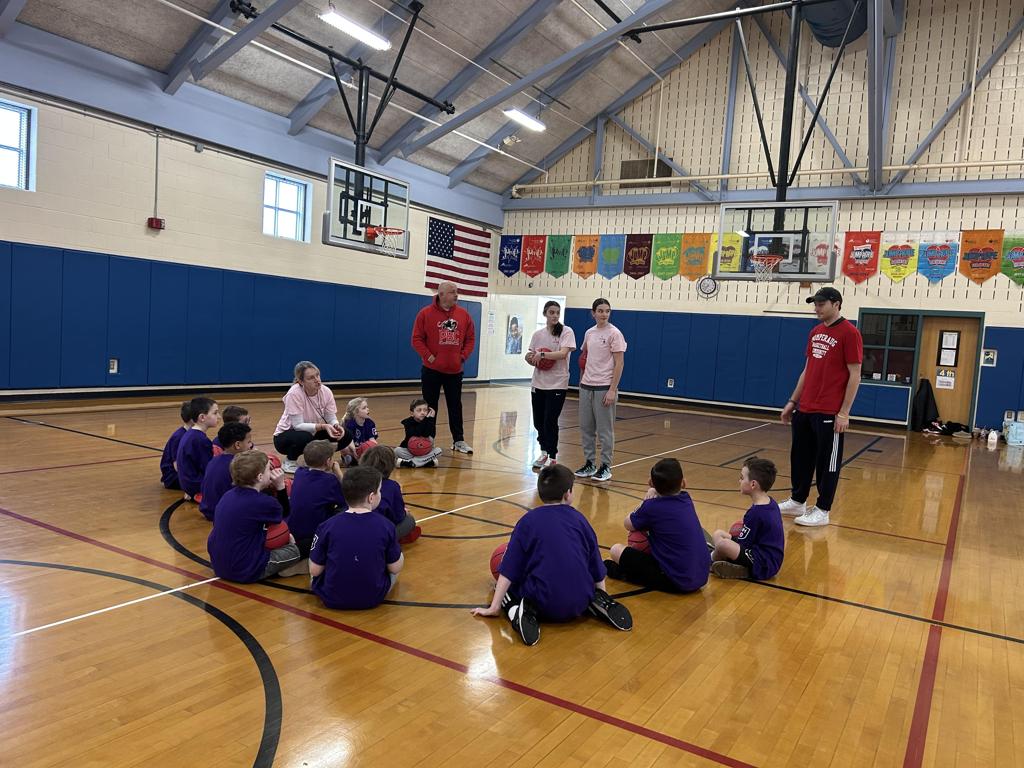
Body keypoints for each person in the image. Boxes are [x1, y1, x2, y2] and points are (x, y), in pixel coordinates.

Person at [470, 464, 633, 646]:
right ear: (568, 494)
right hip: (582, 600)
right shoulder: (580, 519)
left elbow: (509, 568)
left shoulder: (527, 521)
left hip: (543, 605)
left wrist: (494, 607)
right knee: (579, 579)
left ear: (540, 493)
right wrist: (602, 594)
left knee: (507, 587)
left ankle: (517, 611)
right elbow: (595, 565)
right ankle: (598, 602)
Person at [779, 288, 863, 527]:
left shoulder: (850, 333)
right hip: (805, 408)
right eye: (815, 304)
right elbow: (807, 370)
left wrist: (844, 412)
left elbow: (855, 375)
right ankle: (798, 500)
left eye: (821, 304)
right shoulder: (815, 332)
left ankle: (823, 509)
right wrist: (792, 401)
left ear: (836, 304)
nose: (816, 308)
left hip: (829, 411)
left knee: (827, 463)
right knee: (800, 457)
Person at [604, 458, 710, 593]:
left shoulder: (651, 507)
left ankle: (623, 573)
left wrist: (646, 501)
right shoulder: (686, 498)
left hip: (678, 582)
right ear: (684, 483)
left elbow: (627, 524)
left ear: (650, 483)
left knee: (615, 550)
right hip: (702, 576)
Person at [309, 466, 404, 610]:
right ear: (371, 497)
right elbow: (395, 568)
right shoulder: (386, 526)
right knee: (394, 563)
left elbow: (315, 571)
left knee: (316, 569)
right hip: (373, 597)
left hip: (331, 597)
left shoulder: (326, 526)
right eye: (379, 491)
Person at [207, 450, 301, 582]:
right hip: (245, 570)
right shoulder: (262, 502)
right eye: (269, 469)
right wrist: (280, 486)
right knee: (300, 547)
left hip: (218, 565)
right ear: (260, 477)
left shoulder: (227, 495)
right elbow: (284, 514)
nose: (272, 471)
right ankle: (292, 566)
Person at [411, 281, 476, 454]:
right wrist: (429, 356)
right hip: (431, 370)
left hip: (455, 371)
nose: (456, 295)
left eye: (456, 291)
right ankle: (428, 439)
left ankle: (458, 440)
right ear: (441, 294)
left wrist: (462, 356)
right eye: (452, 292)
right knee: (429, 407)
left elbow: (470, 339)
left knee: (455, 406)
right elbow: (416, 339)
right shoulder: (425, 313)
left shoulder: (464, 315)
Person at [574, 298, 627, 482]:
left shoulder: (615, 333)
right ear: (593, 313)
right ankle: (590, 464)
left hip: (604, 387)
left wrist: (612, 390)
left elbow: (619, 363)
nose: (604, 314)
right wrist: (581, 382)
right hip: (586, 386)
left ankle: (605, 466)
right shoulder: (589, 333)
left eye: (607, 311)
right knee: (586, 428)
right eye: (600, 311)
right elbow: (584, 358)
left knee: (605, 430)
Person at [273, 361, 354, 474]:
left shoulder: (326, 391)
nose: (317, 380)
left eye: (317, 375)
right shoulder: (294, 393)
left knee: (346, 435)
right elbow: (297, 425)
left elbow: (330, 417)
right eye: (311, 378)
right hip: (285, 437)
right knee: (305, 437)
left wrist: (335, 425)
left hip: (313, 432)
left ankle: (317, 459)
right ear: (301, 381)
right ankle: (289, 461)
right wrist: (323, 426)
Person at [710, 457, 785, 580]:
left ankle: (709, 560)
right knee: (719, 534)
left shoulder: (756, 513)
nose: (739, 480)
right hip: (768, 558)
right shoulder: (771, 502)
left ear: (753, 484)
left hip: (763, 564)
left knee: (723, 544)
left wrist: (727, 546)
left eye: (742, 477)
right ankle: (731, 563)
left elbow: (743, 544)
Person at [525, 300, 577, 470]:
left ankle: (553, 457)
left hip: (557, 383)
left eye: (557, 313)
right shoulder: (538, 334)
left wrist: (542, 355)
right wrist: (530, 358)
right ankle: (544, 452)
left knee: (550, 420)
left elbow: (562, 354)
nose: (555, 315)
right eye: (551, 312)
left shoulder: (566, 331)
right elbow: (531, 355)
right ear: (545, 314)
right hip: (538, 382)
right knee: (538, 422)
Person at [288, 440, 346, 560]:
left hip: (293, 529)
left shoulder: (299, 473)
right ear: (328, 461)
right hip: (314, 532)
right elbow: (348, 496)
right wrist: (338, 472)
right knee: (347, 507)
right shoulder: (330, 480)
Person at [359, 445, 420, 544]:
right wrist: (404, 512)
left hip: (352, 527)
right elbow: (398, 517)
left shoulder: (356, 481)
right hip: (375, 534)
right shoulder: (392, 486)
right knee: (409, 520)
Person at [199, 421, 253, 521]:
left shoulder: (214, 460)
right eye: (249, 442)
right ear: (237, 445)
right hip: (223, 513)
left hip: (208, 509)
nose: (251, 445)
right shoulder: (237, 466)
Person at [176, 397, 221, 501]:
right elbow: (208, 469)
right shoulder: (199, 440)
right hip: (196, 484)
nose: (219, 416)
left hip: (189, 483)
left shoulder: (191, 434)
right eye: (215, 413)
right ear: (202, 417)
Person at [396, 398, 443, 468]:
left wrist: (430, 419)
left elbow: (426, 434)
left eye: (425, 410)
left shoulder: (429, 421)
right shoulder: (408, 422)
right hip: (410, 451)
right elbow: (416, 433)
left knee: (439, 451)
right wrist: (426, 420)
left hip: (425, 452)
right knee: (397, 451)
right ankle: (425, 462)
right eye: (419, 410)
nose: (422, 412)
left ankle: (411, 463)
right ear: (412, 413)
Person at [160, 401, 192, 490]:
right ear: (193, 419)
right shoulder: (179, 437)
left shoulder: (190, 434)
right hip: (173, 477)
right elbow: (177, 466)